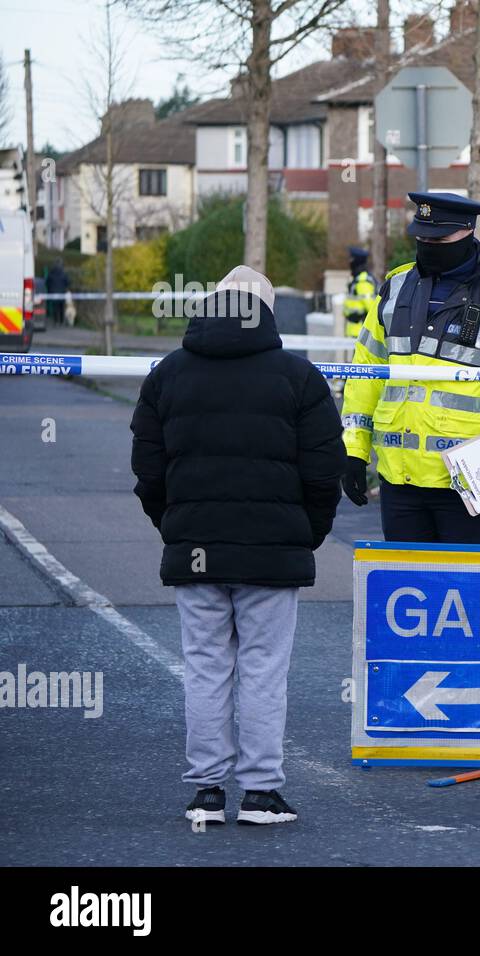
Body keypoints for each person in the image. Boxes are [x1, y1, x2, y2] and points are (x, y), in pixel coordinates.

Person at [130, 266, 345, 826]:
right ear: (267, 312)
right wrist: (306, 534)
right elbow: (324, 472)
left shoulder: (167, 375)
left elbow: (147, 470)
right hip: (272, 554)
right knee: (263, 668)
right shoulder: (299, 378)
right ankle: (260, 792)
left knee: (204, 667)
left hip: (195, 550)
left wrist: (174, 526)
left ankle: (205, 792)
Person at [339, 192, 480, 544]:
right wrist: (354, 451)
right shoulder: (394, 289)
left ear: (466, 232)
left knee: (464, 593)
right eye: (421, 238)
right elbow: (366, 374)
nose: (428, 245)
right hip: (399, 476)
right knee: (404, 593)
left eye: (438, 239)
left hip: (467, 483)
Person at [342, 245, 377, 338]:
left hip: (361, 334)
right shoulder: (357, 279)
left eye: (351, 259)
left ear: (356, 261)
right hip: (357, 333)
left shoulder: (363, 281)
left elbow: (371, 308)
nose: (349, 262)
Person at [45, 260, 69, 326]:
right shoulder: (63, 273)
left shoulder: (51, 273)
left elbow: (47, 282)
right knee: (61, 307)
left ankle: (55, 321)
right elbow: (67, 282)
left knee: (55, 308)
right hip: (62, 292)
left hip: (53, 292)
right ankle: (61, 321)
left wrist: (50, 289)